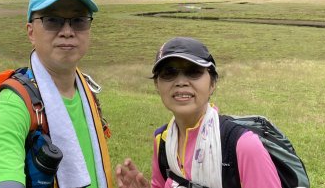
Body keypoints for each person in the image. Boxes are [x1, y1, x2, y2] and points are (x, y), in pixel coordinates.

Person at [0, 0, 113, 188]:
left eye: (79, 20)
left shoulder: (86, 90)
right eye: (52, 20)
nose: (67, 31)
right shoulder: (13, 105)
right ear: (30, 32)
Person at [115, 37, 281, 188]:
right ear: (157, 85)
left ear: (212, 83)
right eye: (169, 73)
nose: (180, 82)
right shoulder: (162, 140)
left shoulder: (243, 145)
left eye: (193, 71)